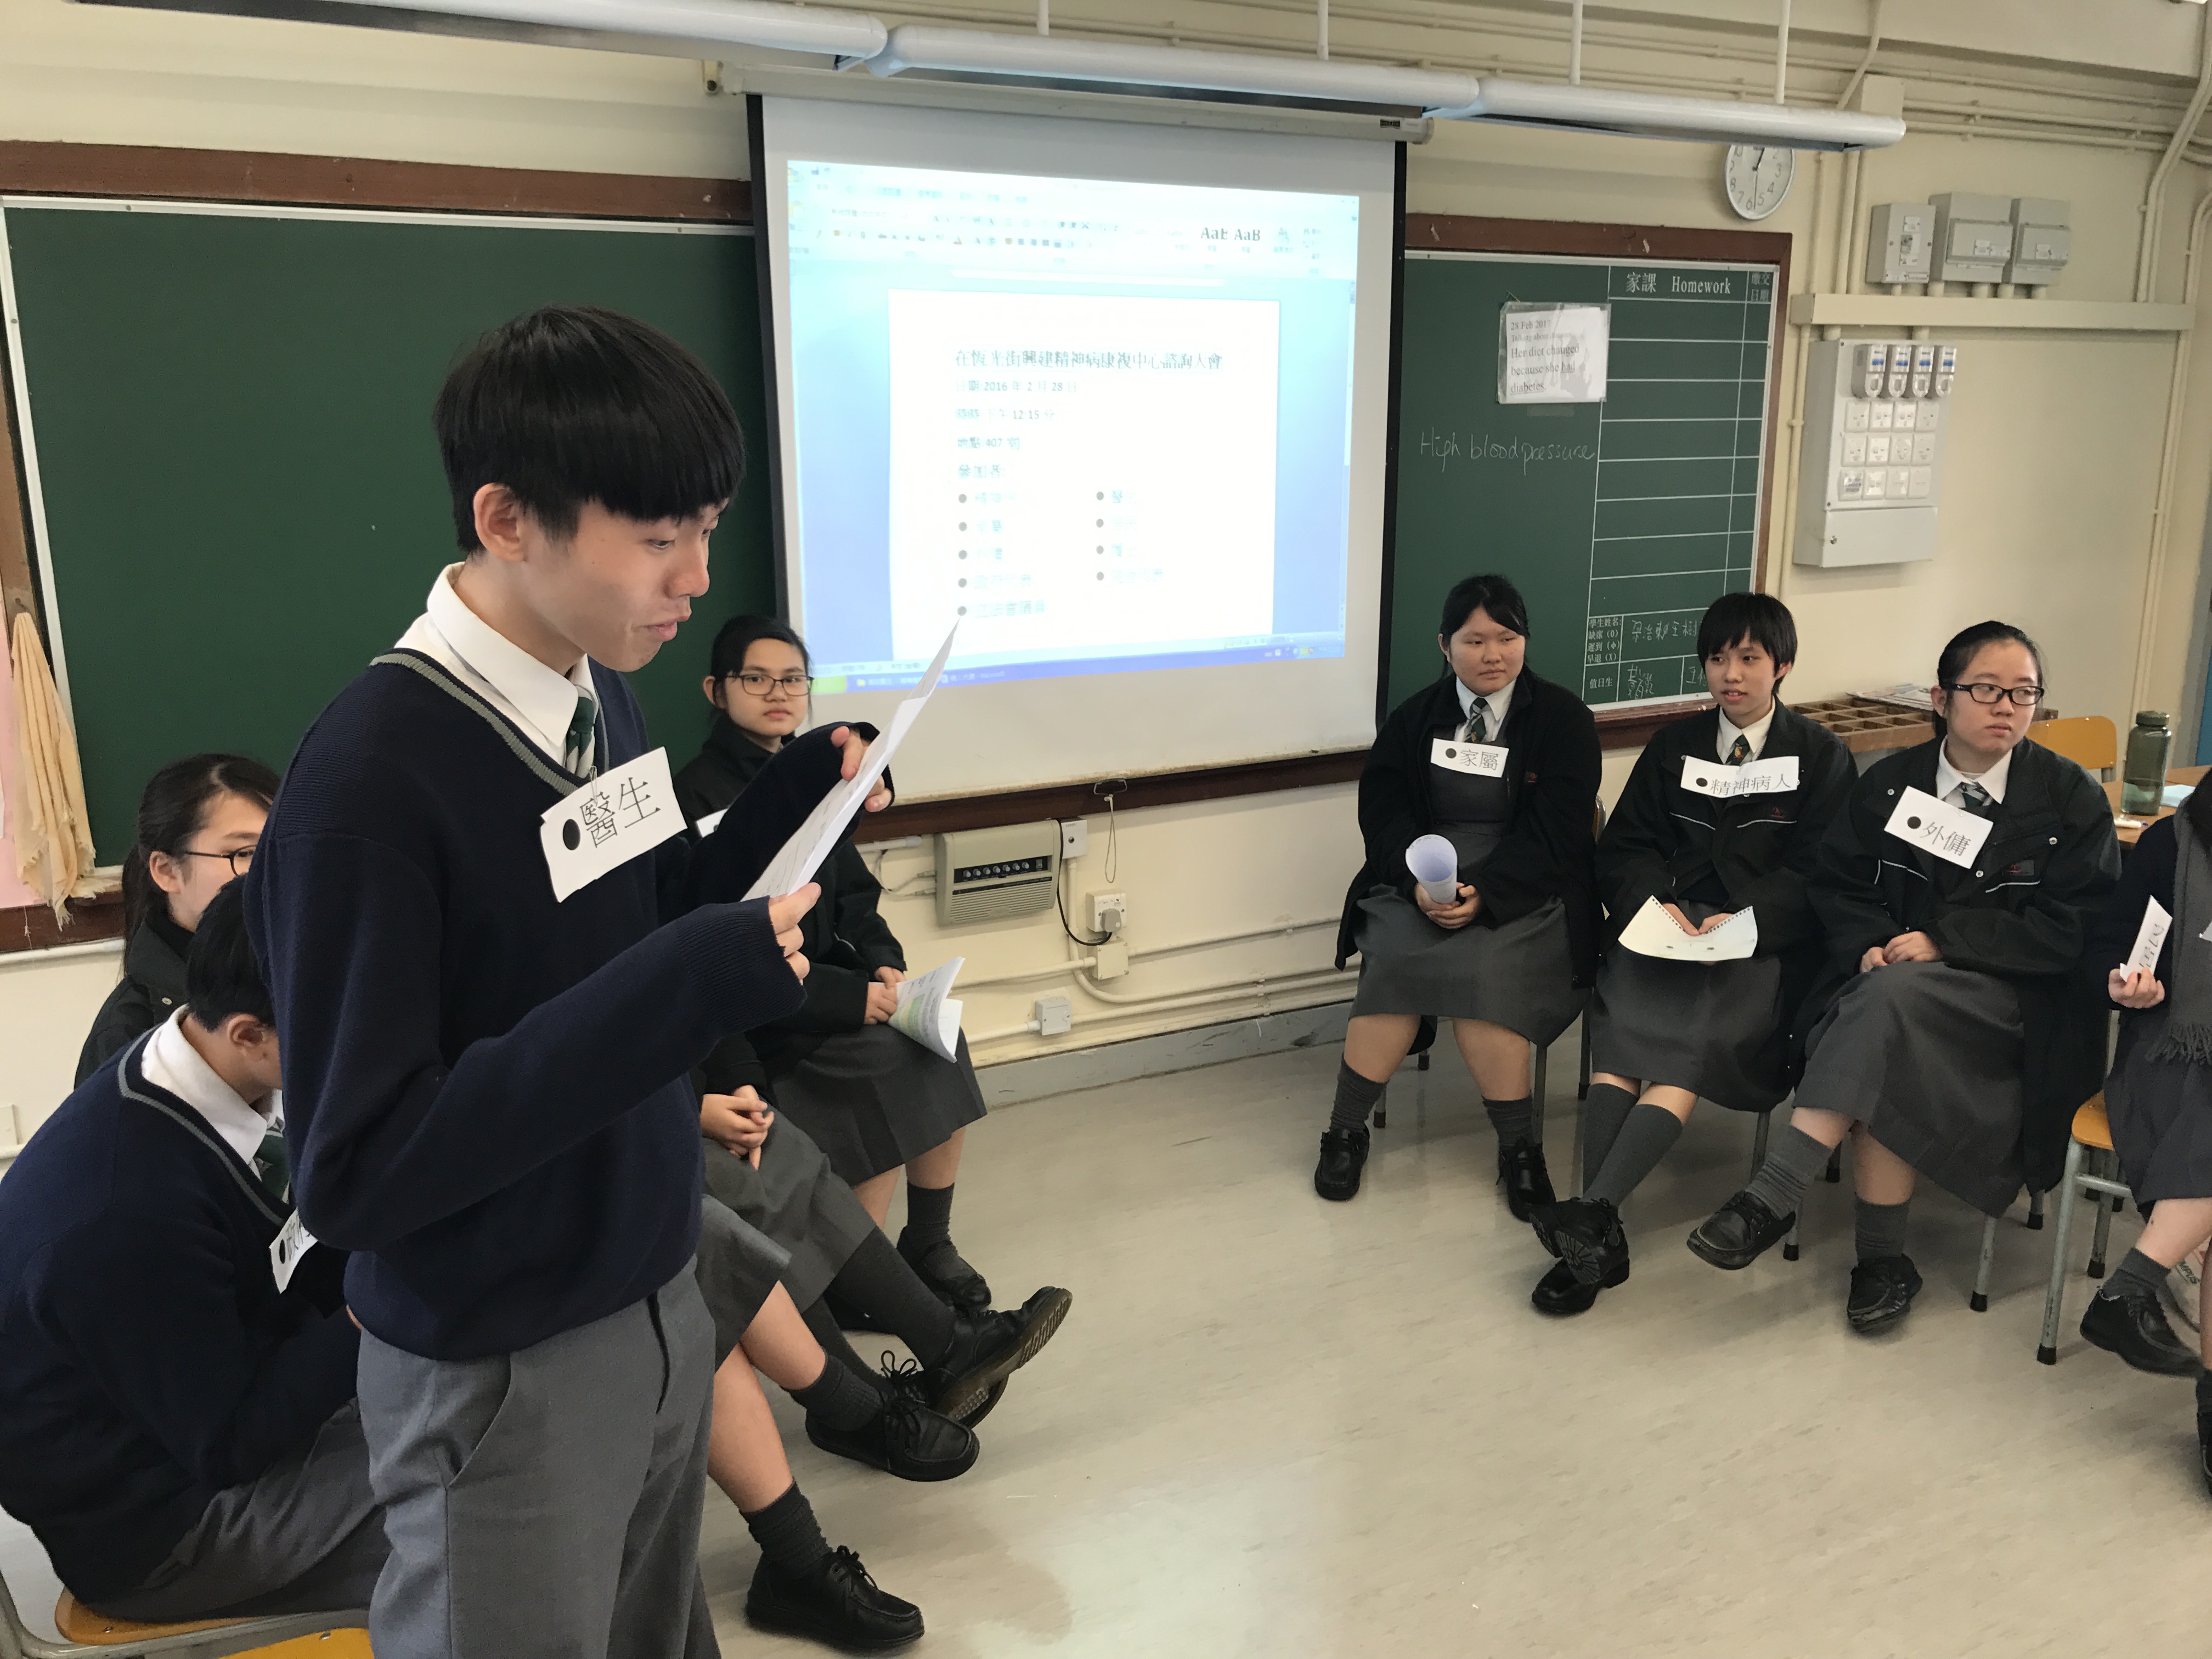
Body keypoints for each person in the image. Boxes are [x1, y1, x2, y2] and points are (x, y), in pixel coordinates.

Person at [244, 304, 905, 1658]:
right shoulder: (368, 786)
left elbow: (635, 914)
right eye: (659, 539)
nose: (694, 578)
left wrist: (786, 802)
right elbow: (359, 1171)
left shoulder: (602, 690)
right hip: (503, 1366)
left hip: (653, 1289)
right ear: (507, 520)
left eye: (705, 530)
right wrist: (685, 987)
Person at [1689, 621, 2120, 1336]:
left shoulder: (2069, 798)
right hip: (1890, 996)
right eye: (1987, 690)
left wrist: (1945, 943)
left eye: (2024, 693)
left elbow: (2075, 927)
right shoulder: (1890, 784)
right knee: (1891, 1022)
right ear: (1942, 699)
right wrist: (1866, 944)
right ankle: (1881, 1264)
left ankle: (1775, 1194)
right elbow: (1837, 884)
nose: (2006, 707)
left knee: (1888, 1008)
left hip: (2010, 1006)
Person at [0, 884, 385, 1625]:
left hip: (235, 1415)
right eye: (347, 1022)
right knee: (494, 1496)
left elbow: (301, 1261)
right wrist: (374, 1304)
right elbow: (233, 1441)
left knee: (496, 1414)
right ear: (249, 1033)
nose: (370, 1039)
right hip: (168, 1530)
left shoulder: (217, 1073)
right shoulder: (124, 1209)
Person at [1528, 593, 1853, 1316]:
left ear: (1782, 666)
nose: (1731, 674)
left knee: (1684, 1050)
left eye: (1749, 658)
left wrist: (1744, 917)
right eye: (1717, 658)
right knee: (1620, 1039)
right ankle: (1596, 1229)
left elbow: (1822, 870)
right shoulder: (1674, 746)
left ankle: (1593, 1218)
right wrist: (1657, 904)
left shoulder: (1821, 757)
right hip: (1665, 929)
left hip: (1756, 946)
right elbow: (1626, 847)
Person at [676, 615, 994, 1310]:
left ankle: (927, 1242)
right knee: (883, 1070)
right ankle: (857, 1281)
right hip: (760, 1019)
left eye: (793, 679)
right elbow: (723, 944)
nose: (778, 693)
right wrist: (852, 1001)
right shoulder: (693, 795)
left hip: (827, 988)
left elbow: (854, 897)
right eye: (756, 678)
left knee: (941, 1038)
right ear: (715, 689)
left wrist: (883, 965)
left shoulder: (820, 775)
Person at [1317, 572, 1601, 1211]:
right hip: (1419, 884)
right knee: (1396, 959)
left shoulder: (1563, 720)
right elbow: (1383, 814)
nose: (1493, 655)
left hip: (1527, 890)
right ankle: (1344, 1131)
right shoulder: (1414, 718)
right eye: (1475, 641)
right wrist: (1418, 884)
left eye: (1507, 638)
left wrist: (1487, 895)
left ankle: (1519, 1150)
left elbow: (1559, 833)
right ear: (1445, 646)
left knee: (1483, 970)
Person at [2079, 784, 2212, 1485]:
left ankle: (2128, 1290)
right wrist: (2128, 985)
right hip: (2169, 1055)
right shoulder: (2172, 844)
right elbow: (2111, 950)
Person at [77, 753, 276, 1085]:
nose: (271, 872)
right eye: (244, 853)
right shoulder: (129, 1040)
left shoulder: (299, 972)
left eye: (280, 847)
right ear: (167, 871)